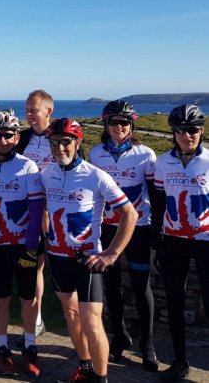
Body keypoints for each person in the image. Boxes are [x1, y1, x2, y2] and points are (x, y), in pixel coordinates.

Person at [41, 118, 137, 383]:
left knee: (91, 320)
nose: (60, 147)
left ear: (78, 142)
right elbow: (43, 207)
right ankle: (84, 368)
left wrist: (112, 253)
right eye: (55, 142)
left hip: (87, 259)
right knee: (70, 314)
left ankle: (101, 377)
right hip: (58, 257)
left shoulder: (96, 175)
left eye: (66, 142)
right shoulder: (46, 174)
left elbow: (130, 213)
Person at [88, 100, 158, 371]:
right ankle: (119, 336)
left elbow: (156, 194)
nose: (119, 127)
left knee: (142, 287)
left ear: (132, 126)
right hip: (106, 227)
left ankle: (148, 345)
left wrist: (157, 232)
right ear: (106, 124)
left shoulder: (146, 154)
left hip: (138, 229)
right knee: (112, 287)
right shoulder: (96, 154)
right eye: (114, 122)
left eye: (125, 122)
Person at [0, 111, 43, 378]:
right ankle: (1, 347)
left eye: (9, 135)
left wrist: (31, 246)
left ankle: (30, 345)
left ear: (17, 137)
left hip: (22, 243)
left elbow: (36, 210)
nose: (3, 140)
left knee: (28, 299)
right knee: (1, 298)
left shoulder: (28, 166)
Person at [154, 104, 209, 382]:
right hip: (174, 240)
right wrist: (157, 238)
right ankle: (180, 361)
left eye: (193, 130)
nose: (187, 135)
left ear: (201, 131)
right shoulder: (163, 163)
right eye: (181, 130)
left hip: (205, 241)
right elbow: (160, 201)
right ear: (173, 132)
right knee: (175, 302)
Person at [16, 89, 56, 343]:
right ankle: (37, 319)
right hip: (26, 211)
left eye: (33, 110)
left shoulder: (61, 137)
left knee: (45, 268)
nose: (28, 114)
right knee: (34, 266)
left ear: (48, 111)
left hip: (54, 212)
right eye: (27, 109)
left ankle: (39, 319)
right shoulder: (22, 138)